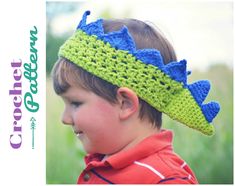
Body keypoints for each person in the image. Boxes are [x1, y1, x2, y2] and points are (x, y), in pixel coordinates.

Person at [51, 11, 220, 184]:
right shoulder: (104, 162)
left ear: (125, 103)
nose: (65, 118)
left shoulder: (168, 180)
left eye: (75, 103)